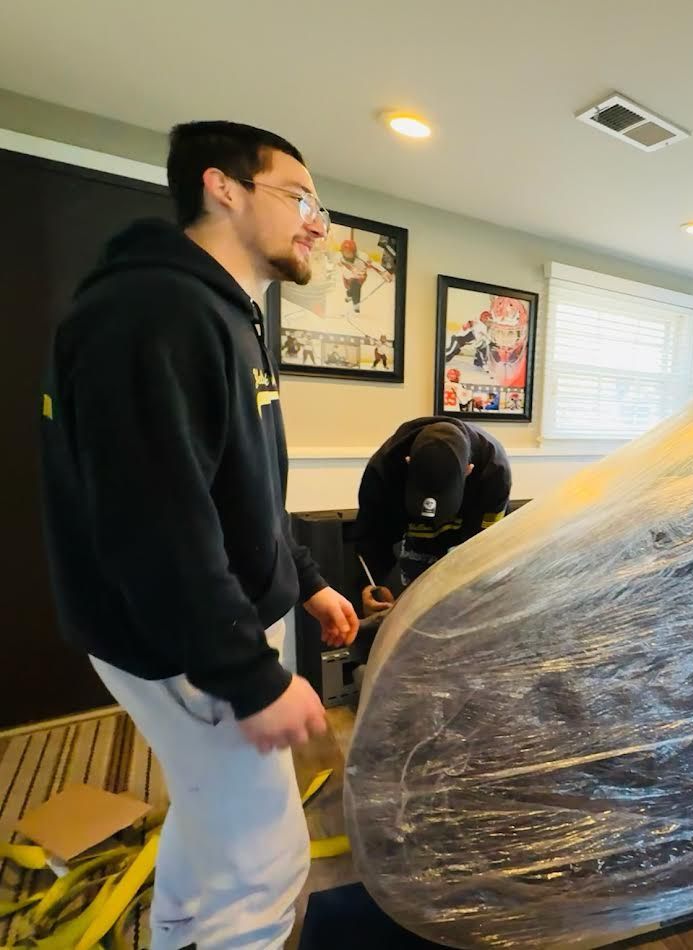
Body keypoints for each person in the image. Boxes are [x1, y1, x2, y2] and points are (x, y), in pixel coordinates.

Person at [39, 121, 360, 950]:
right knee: (262, 859)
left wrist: (306, 579)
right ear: (223, 186)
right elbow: (155, 521)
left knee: (214, 813)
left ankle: (176, 936)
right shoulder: (152, 312)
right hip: (183, 639)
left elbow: (235, 489)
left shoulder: (221, 312)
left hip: (203, 625)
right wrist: (246, 673)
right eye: (299, 197)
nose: (316, 223)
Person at [355, 418, 512, 614]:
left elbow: (484, 543)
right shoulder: (384, 469)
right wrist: (370, 585)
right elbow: (371, 535)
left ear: (468, 470)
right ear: (408, 463)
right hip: (415, 547)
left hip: (465, 547)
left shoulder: (493, 471)